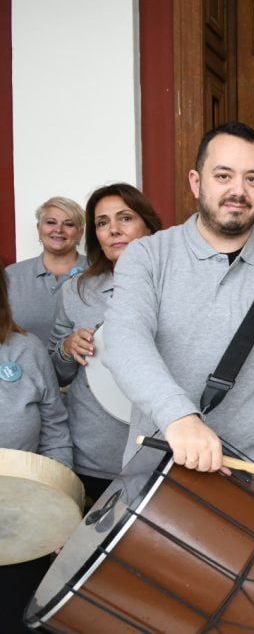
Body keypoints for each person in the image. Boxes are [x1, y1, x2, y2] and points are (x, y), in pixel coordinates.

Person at [102, 121, 254, 515]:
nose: (238, 191)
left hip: (248, 483)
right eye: (223, 175)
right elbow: (125, 341)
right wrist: (180, 418)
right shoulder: (146, 256)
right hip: (156, 476)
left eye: (252, 179)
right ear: (197, 182)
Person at [49, 183, 162, 504]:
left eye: (125, 218)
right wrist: (67, 348)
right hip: (93, 452)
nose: (113, 230)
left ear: (148, 226)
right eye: (102, 222)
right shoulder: (77, 291)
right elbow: (56, 374)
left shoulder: (178, 286)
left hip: (160, 450)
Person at [0, 260, 73, 633]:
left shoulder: (26, 349)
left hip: (22, 522)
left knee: (18, 618)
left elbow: (56, 431)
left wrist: (63, 512)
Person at [4, 196, 87, 342]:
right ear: (39, 228)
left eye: (69, 224)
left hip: (83, 365)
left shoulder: (98, 273)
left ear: (80, 232)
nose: (58, 229)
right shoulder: (11, 276)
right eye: (50, 222)